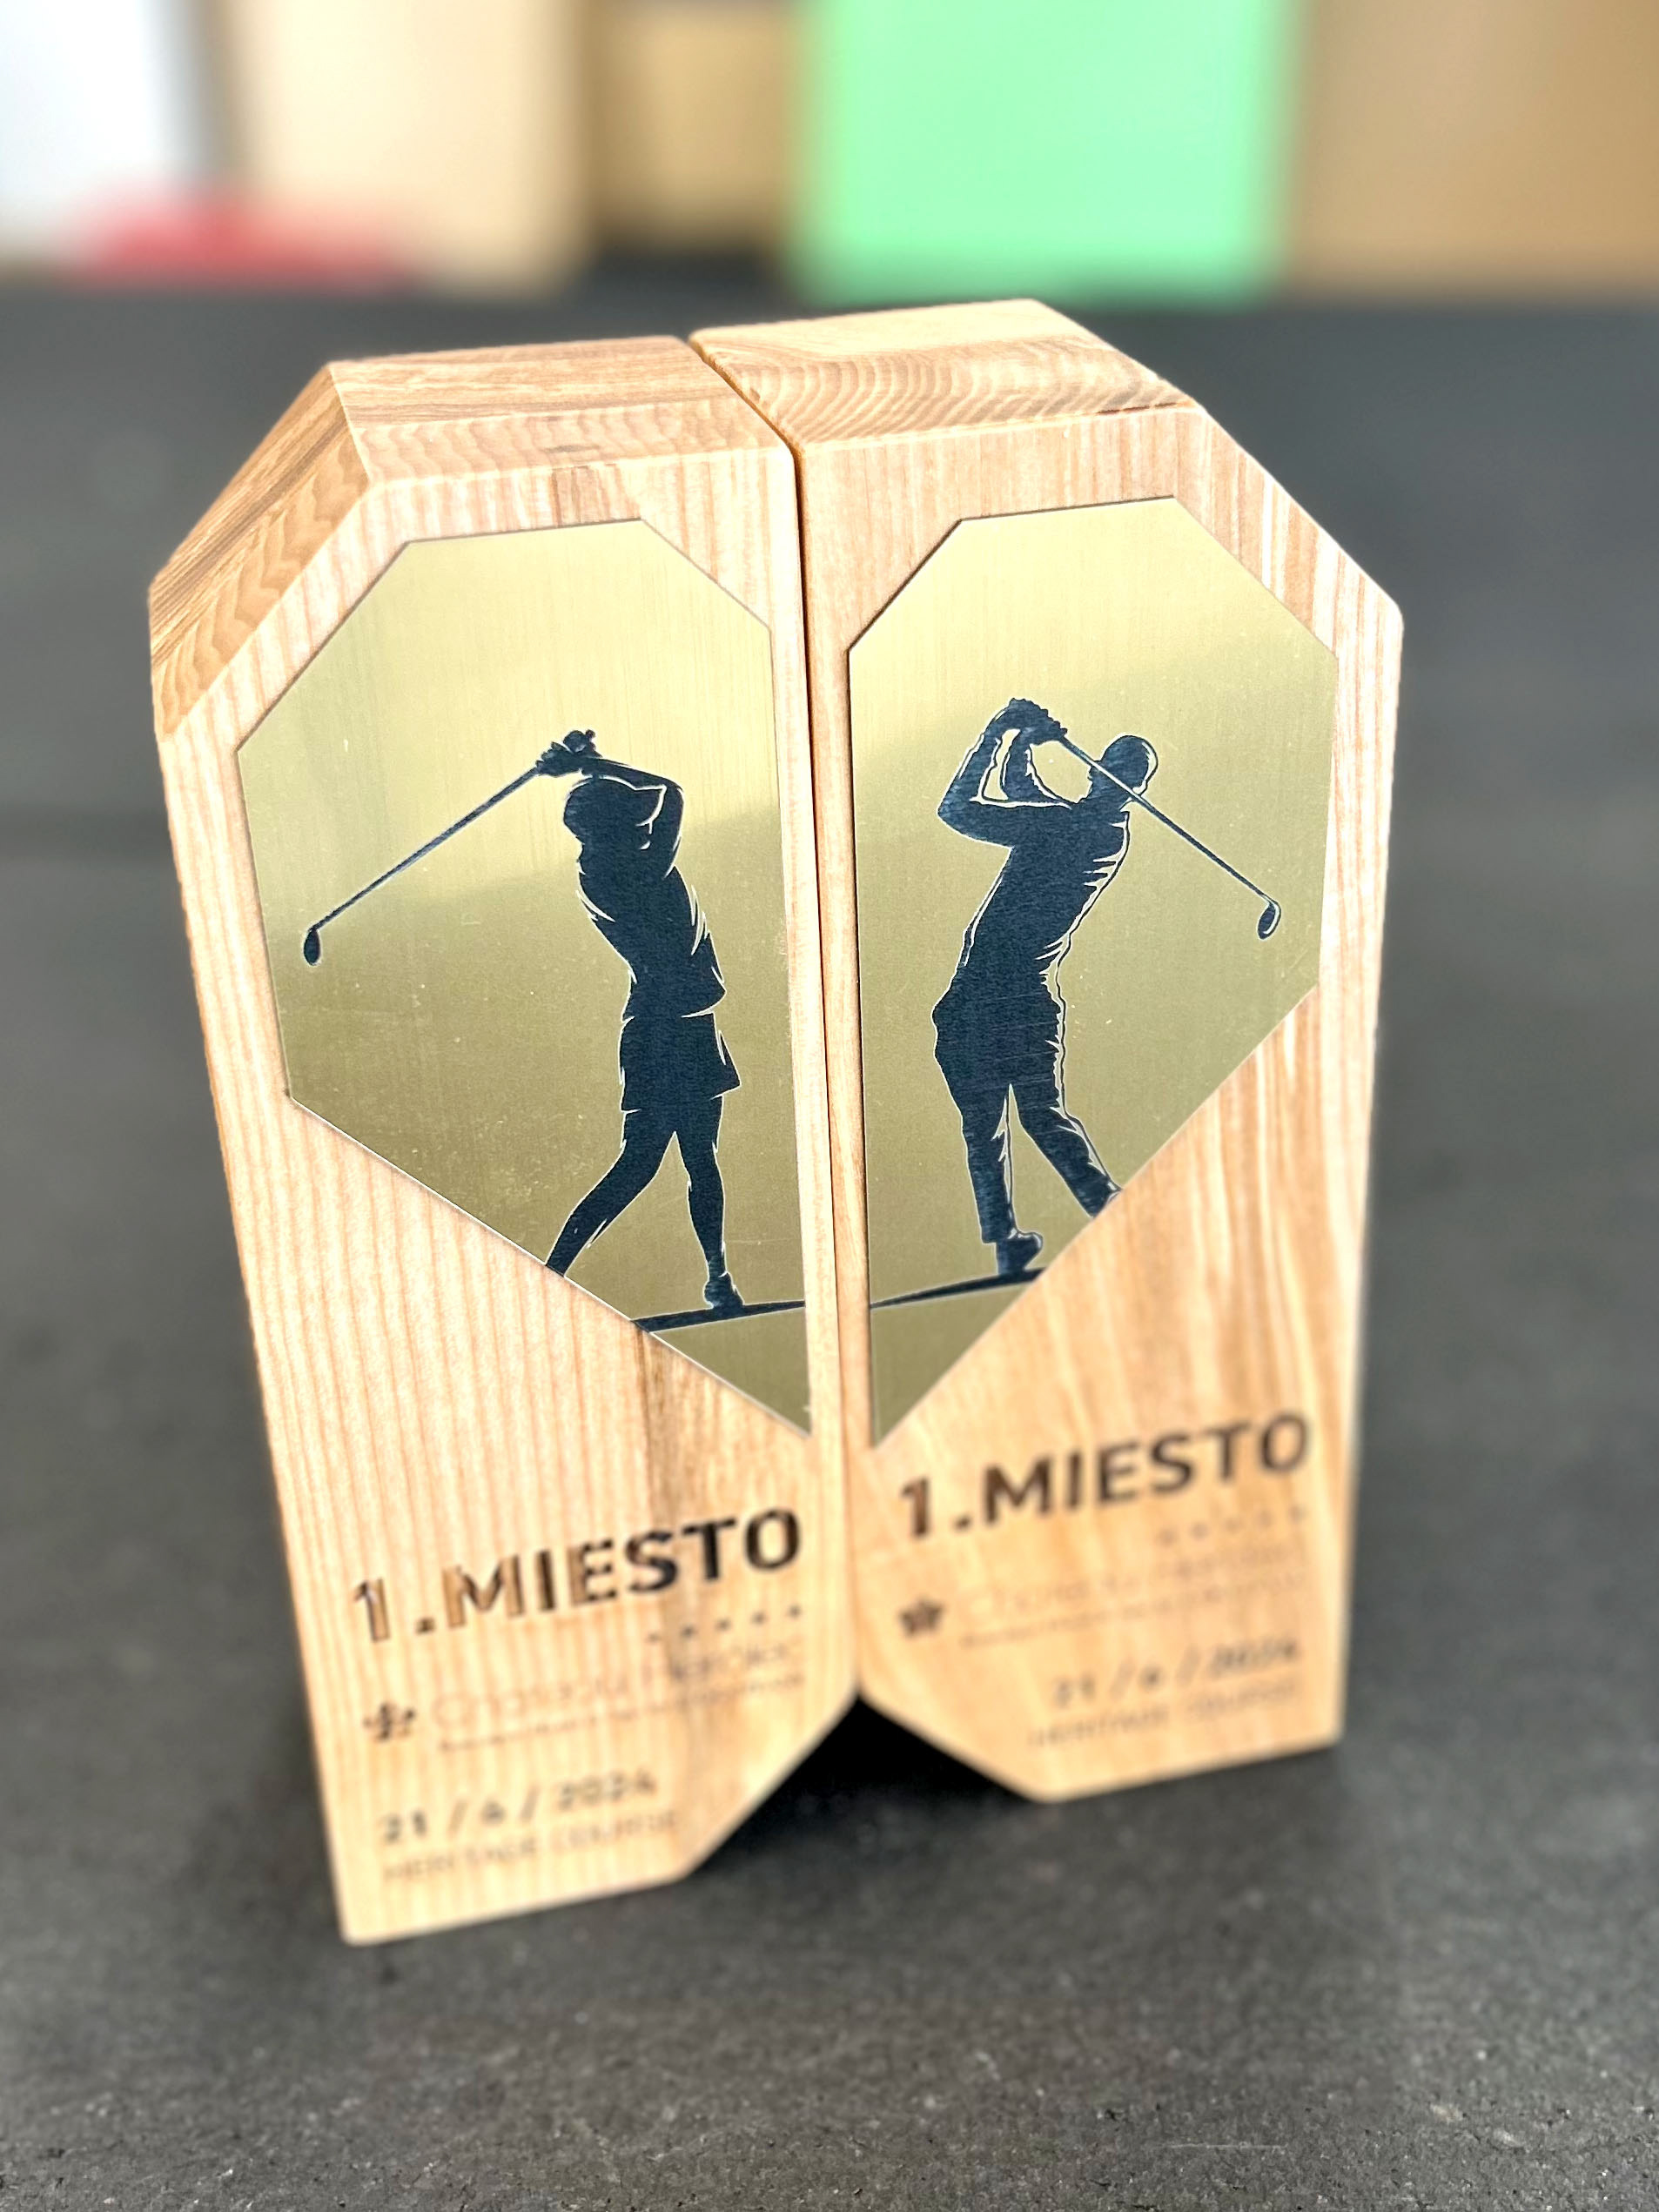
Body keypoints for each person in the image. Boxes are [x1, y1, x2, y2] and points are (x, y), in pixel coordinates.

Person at [931, 697, 1157, 1278]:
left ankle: (1107, 1214)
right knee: (1007, 1120)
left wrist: (999, 732)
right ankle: (1014, 1237)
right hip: (1004, 996)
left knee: (1014, 1120)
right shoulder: (1096, 829)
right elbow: (1023, 791)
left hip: (998, 996)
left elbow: (958, 809)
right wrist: (1025, 742)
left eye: (1115, 770)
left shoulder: (1070, 827)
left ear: (1110, 778)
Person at [539, 728, 742, 1314]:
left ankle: (718, 1278)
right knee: (640, 1165)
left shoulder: (615, 860)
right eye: (630, 817)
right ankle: (550, 1274)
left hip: (688, 1023)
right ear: (613, 829)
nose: (642, 820)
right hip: (663, 1029)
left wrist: (588, 767)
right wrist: (595, 763)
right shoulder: (626, 870)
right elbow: (670, 792)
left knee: (700, 1160)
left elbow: (658, 797)